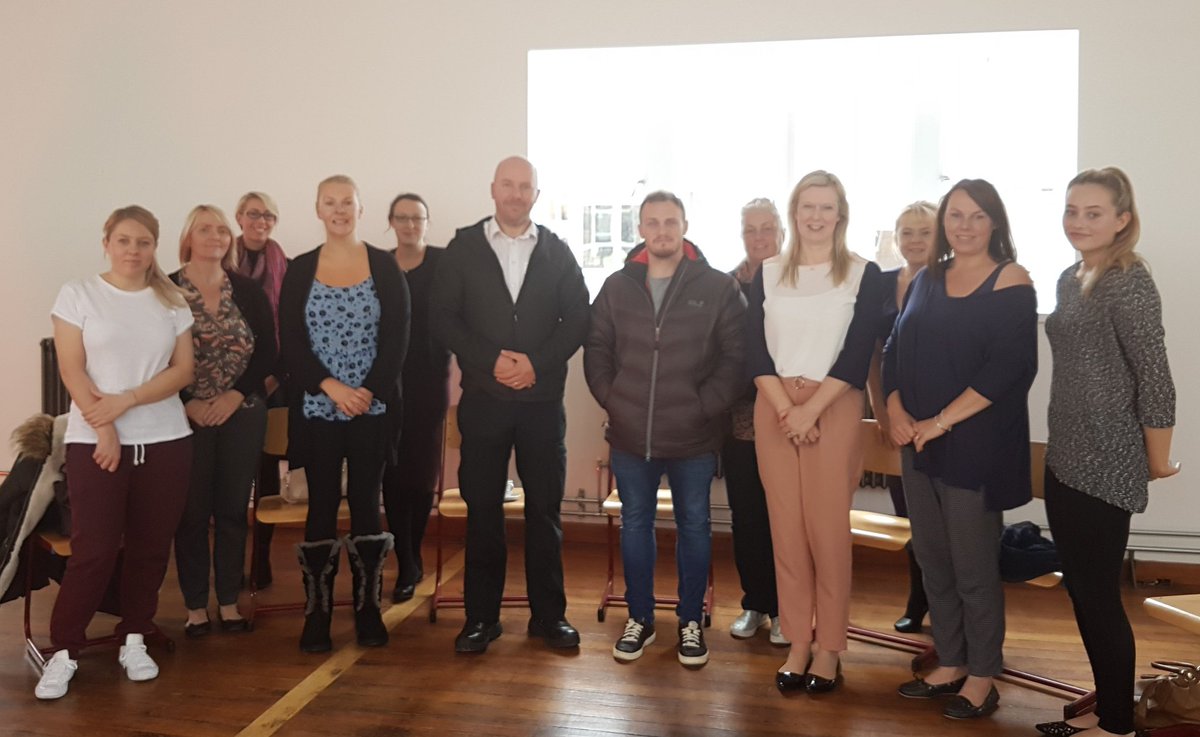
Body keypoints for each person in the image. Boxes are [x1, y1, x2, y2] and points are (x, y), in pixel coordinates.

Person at [883, 178, 1037, 720]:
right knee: (933, 557)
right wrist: (897, 412)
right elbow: (895, 348)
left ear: (995, 222)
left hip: (976, 447)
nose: (964, 226)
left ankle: (982, 674)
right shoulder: (928, 277)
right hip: (917, 442)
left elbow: (1011, 369)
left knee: (972, 565)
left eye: (976, 216)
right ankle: (949, 660)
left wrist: (941, 422)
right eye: (956, 216)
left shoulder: (1011, 280)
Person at [1036, 168, 1177, 737]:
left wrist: (1157, 459)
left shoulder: (1128, 279)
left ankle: (1117, 723)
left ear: (1122, 219)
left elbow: (1156, 377)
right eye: (1072, 210)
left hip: (1105, 460)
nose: (1078, 222)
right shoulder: (1072, 277)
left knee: (1098, 596)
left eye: (1093, 212)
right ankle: (1108, 702)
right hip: (1065, 454)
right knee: (1084, 591)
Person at [431, 156, 589, 654]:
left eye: (526, 187)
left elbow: (578, 319)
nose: (517, 194)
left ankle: (549, 617)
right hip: (484, 402)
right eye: (509, 185)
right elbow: (443, 318)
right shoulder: (463, 248)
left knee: (544, 512)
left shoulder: (557, 251)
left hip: (542, 404)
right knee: (483, 513)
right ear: (493, 190)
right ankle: (481, 619)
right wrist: (490, 361)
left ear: (536, 196)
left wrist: (535, 365)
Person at [37, 206, 195, 700]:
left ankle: (134, 636)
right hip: (95, 442)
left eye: (143, 242)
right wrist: (105, 429)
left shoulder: (171, 300)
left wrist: (126, 401)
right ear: (106, 242)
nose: (133, 250)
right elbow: (71, 369)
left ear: (155, 248)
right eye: (124, 240)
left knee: (149, 548)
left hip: (166, 439)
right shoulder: (78, 294)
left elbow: (182, 370)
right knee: (95, 551)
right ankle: (64, 651)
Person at [585, 191, 745, 667]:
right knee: (635, 525)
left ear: (685, 226)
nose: (662, 230)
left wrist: (704, 406)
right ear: (640, 230)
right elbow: (596, 348)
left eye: (670, 222)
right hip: (631, 435)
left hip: (693, 436)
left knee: (694, 526)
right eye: (652, 222)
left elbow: (735, 357)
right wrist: (614, 399)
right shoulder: (617, 286)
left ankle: (691, 620)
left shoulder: (715, 286)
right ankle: (640, 618)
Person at [745, 170, 883, 694]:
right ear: (795, 211)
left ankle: (829, 647)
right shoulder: (768, 272)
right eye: (808, 206)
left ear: (840, 215)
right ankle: (798, 641)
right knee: (786, 530)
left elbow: (855, 353)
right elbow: (754, 351)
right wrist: (786, 407)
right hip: (775, 405)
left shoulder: (864, 276)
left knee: (826, 532)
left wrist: (811, 410)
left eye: (827, 208)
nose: (817, 216)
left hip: (835, 404)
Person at [278, 175, 409, 652]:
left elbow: (397, 340)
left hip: (371, 408)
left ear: (361, 208)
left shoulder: (384, 267)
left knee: (367, 503)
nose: (339, 210)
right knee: (321, 504)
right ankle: (318, 614)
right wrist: (332, 388)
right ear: (317, 209)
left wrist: (365, 391)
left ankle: (368, 608)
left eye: (347, 203)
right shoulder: (300, 270)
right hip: (317, 406)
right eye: (329, 203)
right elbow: (292, 342)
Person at [170, 205, 275, 637]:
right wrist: (188, 401)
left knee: (233, 511)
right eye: (204, 229)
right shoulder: (165, 291)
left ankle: (229, 602)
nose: (215, 236)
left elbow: (269, 353)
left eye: (221, 229)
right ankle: (196, 606)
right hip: (181, 417)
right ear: (188, 238)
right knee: (191, 514)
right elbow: (150, 356)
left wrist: (234, 395)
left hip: (242, 413)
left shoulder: (248, 291)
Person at [867, 201, 937, 634]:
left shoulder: (950, 281)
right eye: (906, 232)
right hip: (893, 417)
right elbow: (875, 352)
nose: (914, 240)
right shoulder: (883, 282)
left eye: (924, 232)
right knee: (907, 516)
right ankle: (918, 600)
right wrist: (880, 410)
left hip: (938, 418)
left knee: (941, 522)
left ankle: (949, 607)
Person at [382, 193, 451, 603]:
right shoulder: (378, 264)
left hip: (429, 381)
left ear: (427, 222)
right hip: (385, 382)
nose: (410, 225)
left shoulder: (444, 263)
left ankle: (413, 555)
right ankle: (405, 558)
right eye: (402, 218)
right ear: (390, 222)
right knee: (392, 473)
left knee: (421, 475)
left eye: (417, 218)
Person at [723, 198, 786, 646]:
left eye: (767, 228)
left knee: (786, 519)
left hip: (790, 418)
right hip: (741, 423)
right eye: (751, 230)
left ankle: (788, 609)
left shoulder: (798, 279)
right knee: (747, 517)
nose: (759, 237)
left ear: (781, 231)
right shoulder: (727, 285)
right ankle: (755, 603)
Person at [232, 191, 289, 589]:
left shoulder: (286, 265)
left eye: (268, 215)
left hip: (275, 383)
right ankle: (231, 562)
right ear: (239, 218)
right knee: (232, 476)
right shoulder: (219, 263)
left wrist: (271, 379)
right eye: (253, 214)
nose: (260, 221)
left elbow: (291, 327)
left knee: (267, 474)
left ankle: (262, 559)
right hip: (226, 387)